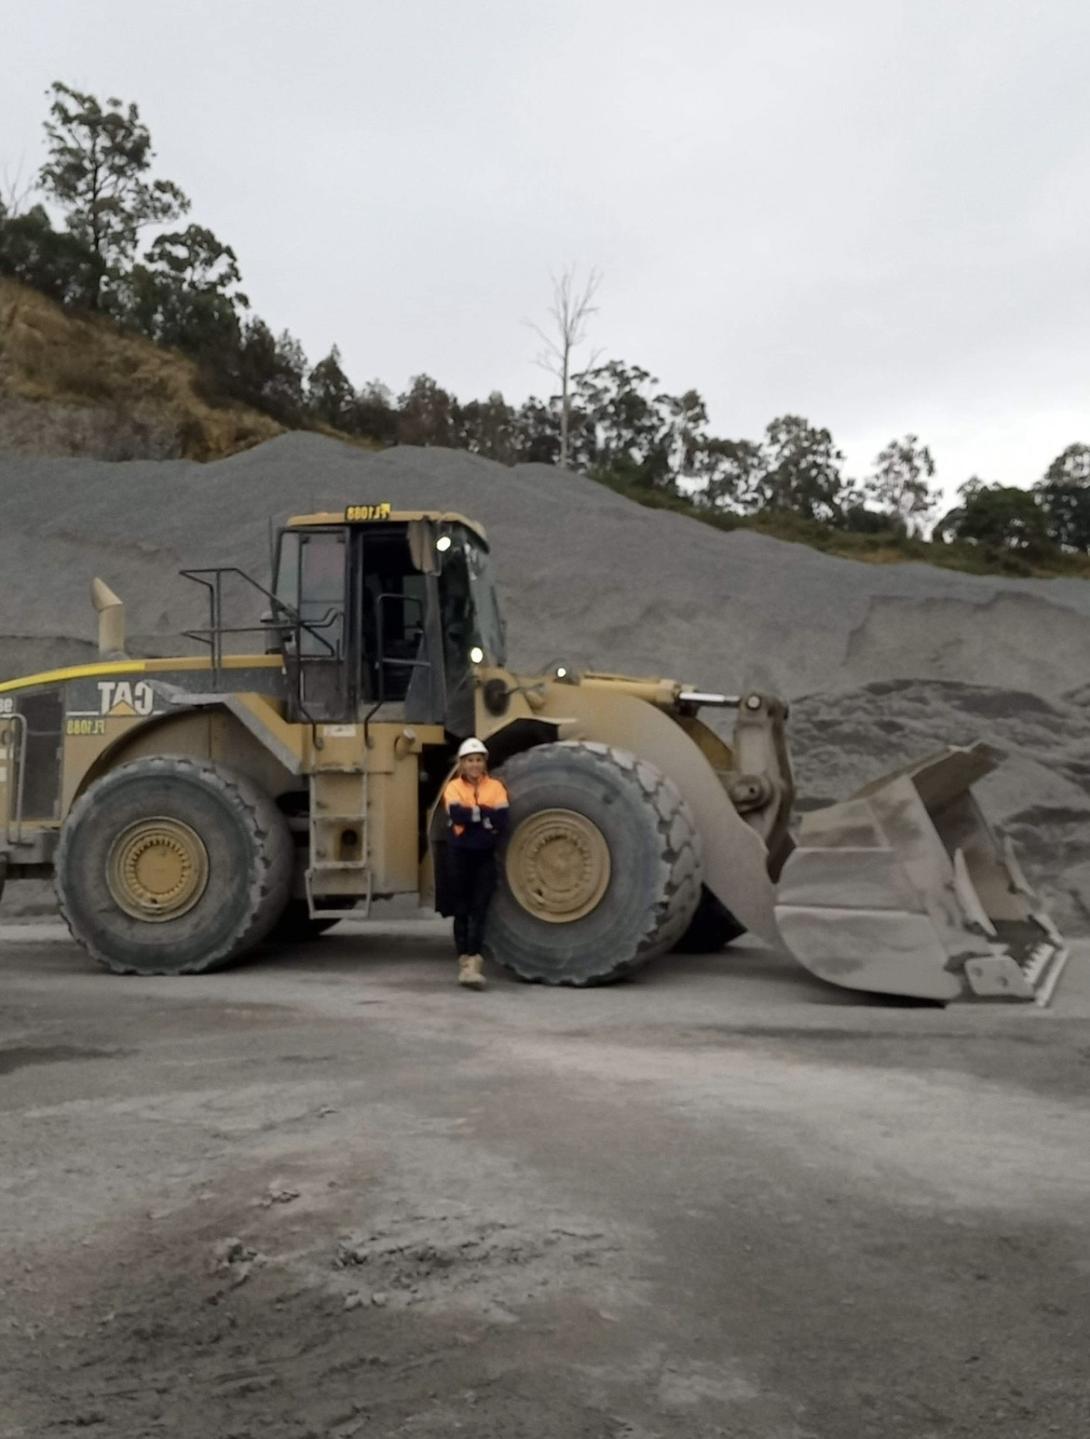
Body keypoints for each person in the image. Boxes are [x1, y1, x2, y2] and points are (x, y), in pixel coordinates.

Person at [443, 737, 509, 989]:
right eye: (470, 760)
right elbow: (456, 814)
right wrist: (484, 816)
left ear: (484, 763)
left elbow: (502, 818)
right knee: (461, 908)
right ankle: (464, 960)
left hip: (483, 854)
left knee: (479, 909)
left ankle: (474, 962)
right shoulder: (452, 787)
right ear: (462, 764)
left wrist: (474, 815)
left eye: (478, 760)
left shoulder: (496, 787)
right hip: (459, 854)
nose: (474, 764)